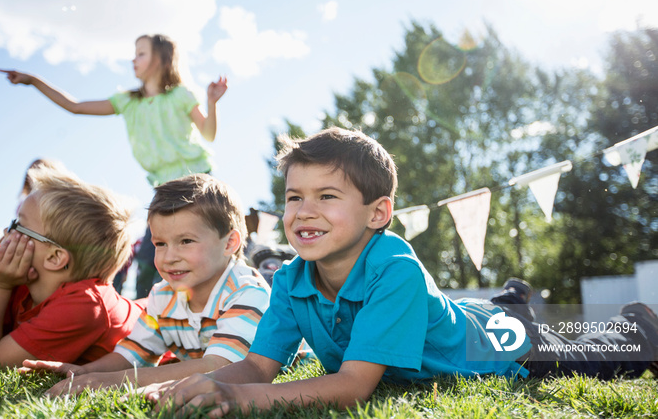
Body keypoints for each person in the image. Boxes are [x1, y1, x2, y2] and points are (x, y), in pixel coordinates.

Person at [135, 128, 658, 415]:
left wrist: (234, 399)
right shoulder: (291, 279)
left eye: (327, 196)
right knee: (479, 315)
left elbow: (352, 386)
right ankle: (511, 301)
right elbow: (256, 367)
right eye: (294, 197)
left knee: (592, 351)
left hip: (498, 351)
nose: (303, 211)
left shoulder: (395, 268)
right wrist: (197, 385)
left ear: (378, 213)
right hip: (452, 319)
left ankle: (636, 321)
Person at [0, 33, 229, 298]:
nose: (134, 59)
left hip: (196, 181)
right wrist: (33, 81)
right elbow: (75, 107)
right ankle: (150, 316)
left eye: (141, 53)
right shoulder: (127, 101)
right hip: (163, 188)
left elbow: (208, 133)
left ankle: (214, 300)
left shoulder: (180, 95)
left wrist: (211, 103)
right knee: (149, 257)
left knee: (195, 246)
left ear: (163, 59)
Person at [23, 174, 271, 394]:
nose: (169, 256)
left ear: (229, 243)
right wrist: (83, 371)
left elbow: (220, 366)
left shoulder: (246, 291)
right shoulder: (163, 296)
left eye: (186, 241)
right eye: (160, 243)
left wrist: (114, 381)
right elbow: (132, 355)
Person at [0, 165, 143, 370]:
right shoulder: (22, 283)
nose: (6, 232)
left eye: (17, 225)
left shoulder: (84, 304)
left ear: (54, 257)